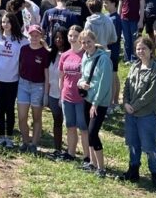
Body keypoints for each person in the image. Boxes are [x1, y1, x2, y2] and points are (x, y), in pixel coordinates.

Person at [122, 36, 156, 190]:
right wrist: (125, 103)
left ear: (151, 50)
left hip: (146, 115)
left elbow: (150, 94)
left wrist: (134, 106)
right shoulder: (134, 66)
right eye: (138, 49)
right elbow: (127, 86)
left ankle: (155, 175)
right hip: (131, 114)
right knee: (133, 144)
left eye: (143, 49)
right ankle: (133, 170)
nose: (140, 51)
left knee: (150, 146)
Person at [0, 12, 27, 148]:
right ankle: (1, 136)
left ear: (13, 23)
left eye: (8, 22)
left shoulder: (21, 40)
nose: (5, 24)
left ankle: (9, 137)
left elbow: (35, 44)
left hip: (13, 81)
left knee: (10, 109)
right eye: (3, 22)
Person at [77, 29, 113, 177]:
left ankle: (101, 168)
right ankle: (92, 163)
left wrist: (95, 103)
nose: (86, 45)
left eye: (89, 42)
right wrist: (81, 84)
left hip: (99, 102)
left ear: (94, 41)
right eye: (83, 42)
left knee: (93, 133)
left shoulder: (104, 59)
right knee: (88, 131)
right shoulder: (85, 56)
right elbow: (82, 76)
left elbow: (104, 84)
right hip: (87, 99)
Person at [58, 25, 89, 162]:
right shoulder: (64, 55)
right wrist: (61, 95)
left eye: (76, 36)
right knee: (70, 126)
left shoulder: (86, 54)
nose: (72, 38)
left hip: (82, 98)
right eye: (70, 35)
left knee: (83, 128)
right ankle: (71, 153)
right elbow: (61, 77)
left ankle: (87, 156)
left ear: (81, 37)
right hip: (67, 96)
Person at [17, 25, 49, 153]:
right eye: (32, 35)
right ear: (28, 36)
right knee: (22, 117)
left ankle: (34, 144)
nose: (34, 38)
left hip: (38, 86)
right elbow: (19, 66)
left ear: (41, 36)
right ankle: (25, 141)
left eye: (37, 35)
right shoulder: (24, 49)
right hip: (23, 85)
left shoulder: (44, 53)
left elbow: (46, 74)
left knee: (36, 117)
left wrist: (46, 93)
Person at [47, 27, 70, 159]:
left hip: (67, 94)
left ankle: (70, 151)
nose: (58, 40)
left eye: (61, 37)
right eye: (56, 37)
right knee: (57, 120)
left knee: (69, 123)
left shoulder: (70, 54)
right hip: (53, 93)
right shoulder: (51, 53)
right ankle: (57, 149)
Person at [118, 0, 145, 64]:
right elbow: (120, 5)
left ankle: (134, 58)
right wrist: (118, 18)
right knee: (126, 39)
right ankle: (127, 58)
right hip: (124, 19)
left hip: (135, 19)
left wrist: (141, 20)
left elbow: (142, 6)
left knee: (134, 39)